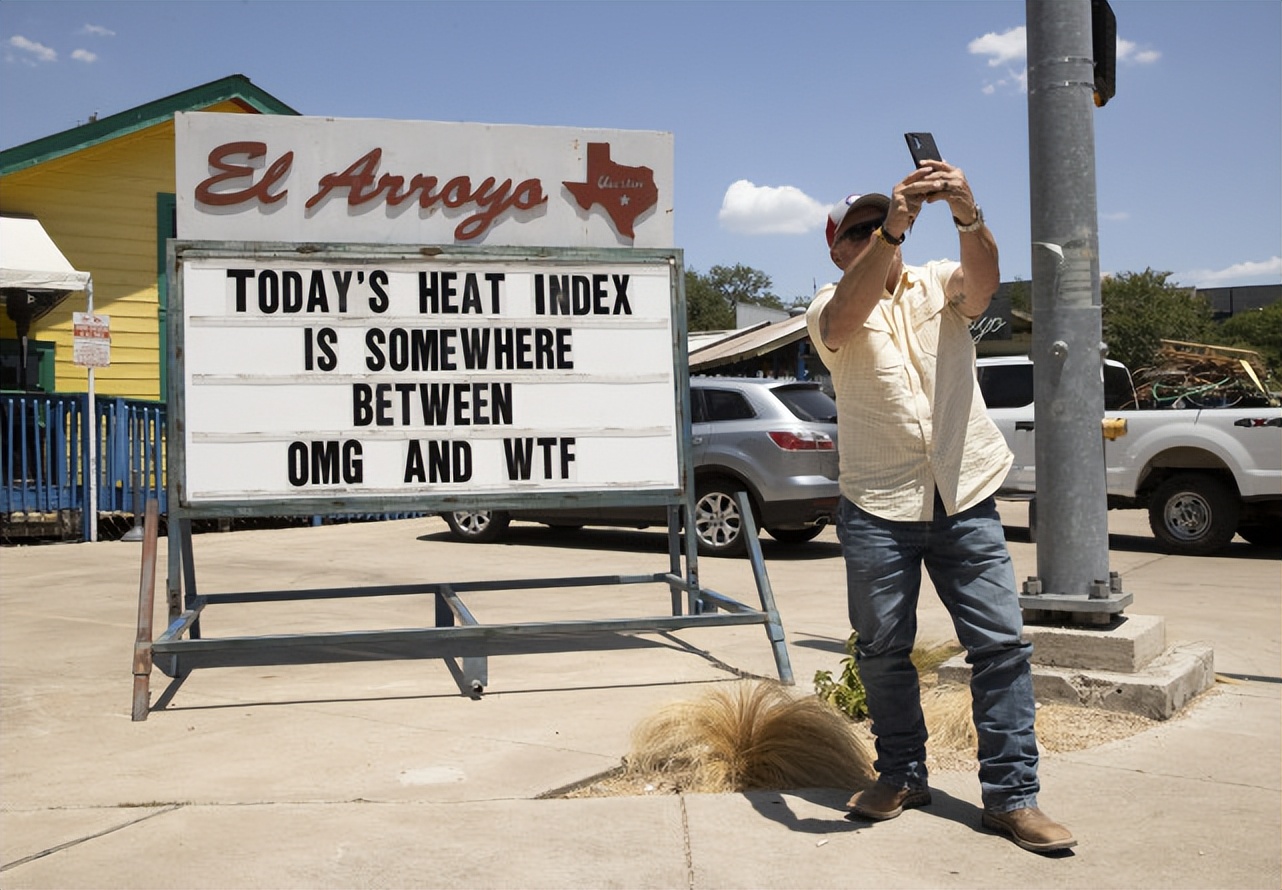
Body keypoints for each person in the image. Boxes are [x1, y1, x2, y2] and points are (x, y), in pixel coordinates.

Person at [804, 159, 1076, 854]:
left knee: (1001, 647)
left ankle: (1013, 798)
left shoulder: (937, 282)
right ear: (836, 248)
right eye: (857, 231)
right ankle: (901, 775)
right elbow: (846, 319)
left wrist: (967, 212)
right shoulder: (825, 308)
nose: (871, 237)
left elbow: (983, 284)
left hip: (965, 494)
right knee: (884, 651)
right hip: (876, 505)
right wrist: (892, 228)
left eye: (879, 224)